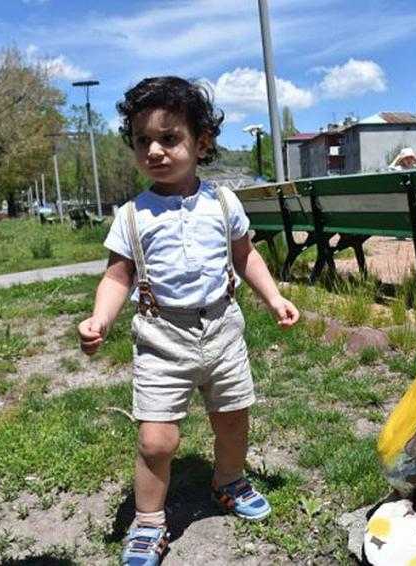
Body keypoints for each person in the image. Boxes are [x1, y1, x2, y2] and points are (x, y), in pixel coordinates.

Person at [77, 76, 299, 566]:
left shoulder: (223, 202)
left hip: (222, 329)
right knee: (157, 440)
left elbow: (245, 256)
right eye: (143, 141)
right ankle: (148, 520)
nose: (154, 150)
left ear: (201, 143)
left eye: (169, 138)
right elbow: (117, 276)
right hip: (162, 337)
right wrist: (100, 319)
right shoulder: (132, 215)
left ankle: (229, 480)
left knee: (233, 418)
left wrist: (273, 297)